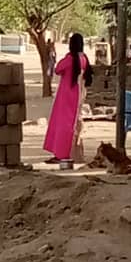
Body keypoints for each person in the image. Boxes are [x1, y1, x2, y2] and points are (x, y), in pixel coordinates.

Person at [43, 33, 93, 164]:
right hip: (79, 94)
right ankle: (69, 152)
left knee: (63, 124)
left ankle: (61, 153)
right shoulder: (84, 59)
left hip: (66, 95)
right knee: (72, 124)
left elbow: (58, 69)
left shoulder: (70, 59)